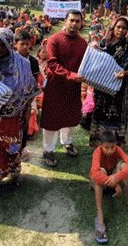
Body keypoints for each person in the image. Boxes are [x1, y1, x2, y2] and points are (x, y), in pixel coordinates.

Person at [0, 28, 40, 193]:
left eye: (3, 44)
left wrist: (26, 112)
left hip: (14, 117)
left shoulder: (23, 64)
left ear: (10, 45)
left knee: (13, 146)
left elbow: (29, 90)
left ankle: (14, 174)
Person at [40, 10, 87, 167]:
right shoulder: (54, 40)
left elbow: (86, 65)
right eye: (71, 20)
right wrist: (72, 75)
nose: (74, 24)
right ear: (65, 21)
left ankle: (66, 141)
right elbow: (52, 64)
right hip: (56, 86)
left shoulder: (83, 43)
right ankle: (48, 149)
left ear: (81, 23)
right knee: (52, 119)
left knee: (71, 117)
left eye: (77, 21)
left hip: (73, 88)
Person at [89, 18, 128, 147]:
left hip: (119, 87)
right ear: (113, 27)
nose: (121, 30)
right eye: (118, 27)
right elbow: (94, 62)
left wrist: (125, 73)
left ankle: (116, 141)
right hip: (101, 86)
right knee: (100, 111)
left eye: (124, 28)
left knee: (118, 113)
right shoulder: (103, 44)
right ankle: (98, 140)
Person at [90, 130, 128, 244]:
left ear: (116, 144)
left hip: (112, 176)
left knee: (124, 166)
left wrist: (116, 177)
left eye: (112, 147)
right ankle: (100, 214)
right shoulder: (97, 152)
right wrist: (115, 183)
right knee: (100, 171)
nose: (110, 150)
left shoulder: (118, 149)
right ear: (100, 145)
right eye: (106, 147)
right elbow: (95, 174)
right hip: (100, 182)